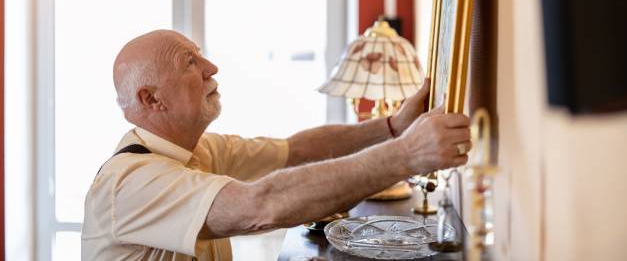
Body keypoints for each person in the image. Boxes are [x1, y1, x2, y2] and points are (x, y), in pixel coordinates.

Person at [81, 29, 471, 260]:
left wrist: (391, 127)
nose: (211, 68)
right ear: (152, 100)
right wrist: (406, 155)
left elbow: (296, 150)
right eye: (189, 63)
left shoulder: (200, 152)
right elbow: (259, 207)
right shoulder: (128, 183)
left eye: (200, 55)